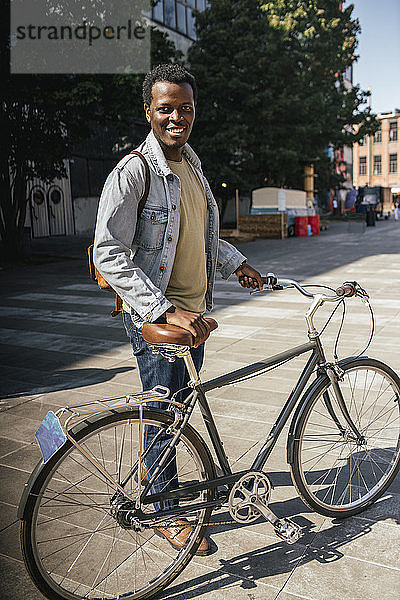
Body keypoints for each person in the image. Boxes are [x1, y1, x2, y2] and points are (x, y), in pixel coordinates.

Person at [94, 64, 262, 555]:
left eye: (184, 109)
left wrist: (239, 264)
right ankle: (164, 509)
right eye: (165, 108)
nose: (175, 117)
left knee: (174, 412)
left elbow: (198, 236)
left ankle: (155, 469)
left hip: (196, 313)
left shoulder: (192, 165)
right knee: (165, 411)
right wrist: (164, 310)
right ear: (148, 111)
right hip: (160, 317)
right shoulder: (133, 172)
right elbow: (109, 251)